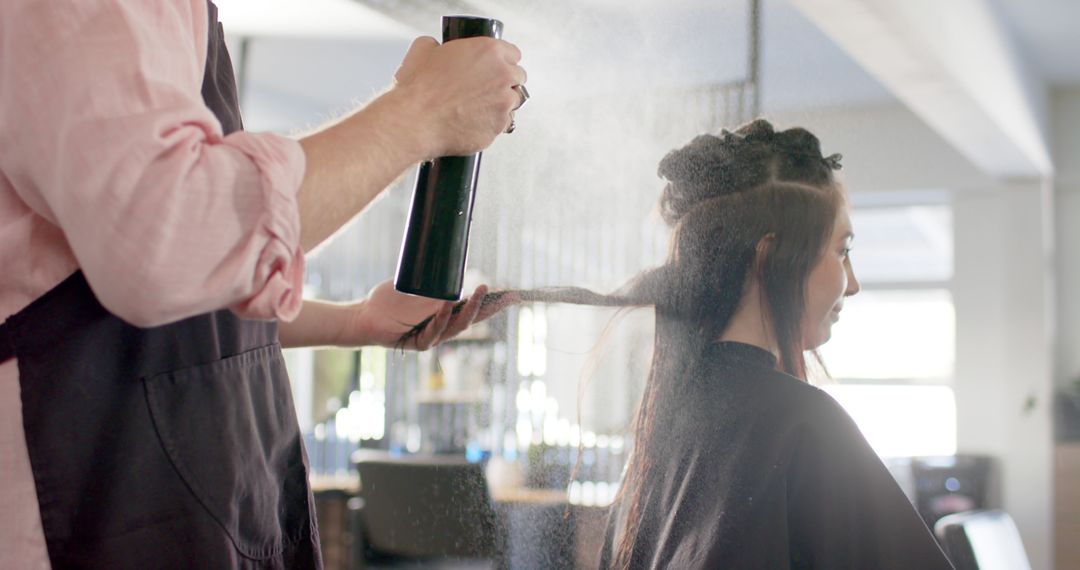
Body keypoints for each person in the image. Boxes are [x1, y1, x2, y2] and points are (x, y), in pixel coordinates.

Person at [0, 1, 526, 568]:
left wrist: (353, 321)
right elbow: (170, 236)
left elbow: (188, 280)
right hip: (92, 510)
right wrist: (421, 114)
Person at [401, 119, 955, 569]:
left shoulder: (666, 424)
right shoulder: (804, 423)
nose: (851, 283)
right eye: (841, 251)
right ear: (769, 254)